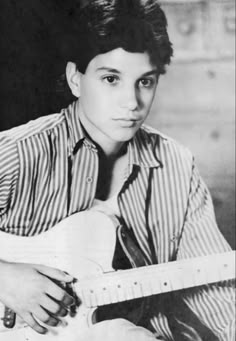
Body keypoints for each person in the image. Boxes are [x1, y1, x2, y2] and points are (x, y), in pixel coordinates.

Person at [0, 0, 234, 340]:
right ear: (75, 80)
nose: (131, 103)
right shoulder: (16, 153)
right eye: (111, 79)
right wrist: (6, 279)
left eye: (145, 82)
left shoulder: (176, 166)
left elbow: (217, 290)